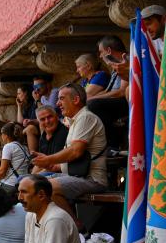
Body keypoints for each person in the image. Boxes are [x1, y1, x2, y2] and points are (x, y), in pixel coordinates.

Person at [30, 84, 108, 213]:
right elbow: (71, 161)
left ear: (76, 100)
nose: (57, 103)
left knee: (48, 187)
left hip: (92, 179)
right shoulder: (75, 121)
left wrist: (48, 159)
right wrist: (51, 166)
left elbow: (75, 151)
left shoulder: (85, 117)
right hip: (75, 175)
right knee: (30, 182)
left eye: (61, 98)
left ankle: (76, 227)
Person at [0, 122, 32, 191]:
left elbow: (2, 171)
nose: (1, 136)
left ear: (6, 135)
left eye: (2, 134)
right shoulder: (24, 146)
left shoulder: (8, 146)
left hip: (11, 184)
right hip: (24, 181)